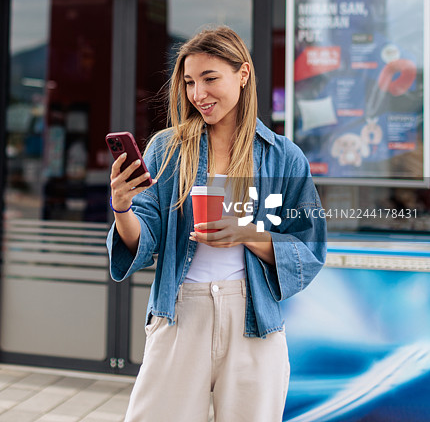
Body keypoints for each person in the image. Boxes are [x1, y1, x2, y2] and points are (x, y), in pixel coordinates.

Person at [107, 26, 327, 422]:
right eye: (190, 82)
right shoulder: (168, 148)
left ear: (243, 74)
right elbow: (145, 236)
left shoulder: (283, 157)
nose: (198, 94)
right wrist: (123, 209)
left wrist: (247, 234)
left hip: (253, 318)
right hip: (180, 311)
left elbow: (309, 247)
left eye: (210, 79)